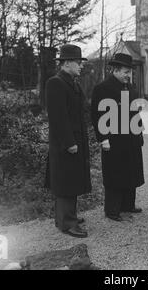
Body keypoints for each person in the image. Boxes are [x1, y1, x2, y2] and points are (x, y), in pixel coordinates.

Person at [91, 53, 145, 222]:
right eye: (124, 71)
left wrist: (139, 132)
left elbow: (135, 112)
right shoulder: (103, 88)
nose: (128, 75)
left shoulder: (131, 88)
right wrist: (103, 138)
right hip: (113, 139)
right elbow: (97, 115)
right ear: (114, 70)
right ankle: (112, 209)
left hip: (131, 137)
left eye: (129, 72)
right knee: (115, 173)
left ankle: (128, 205)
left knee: (131, 171)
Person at [45, 44, 91, 238]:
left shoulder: (72, 82)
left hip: (74, 140)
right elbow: (58, 117)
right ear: (67, 63)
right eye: (78, 63)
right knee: (65, 181)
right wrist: (69, 142)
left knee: (71, 180)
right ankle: (67, 223)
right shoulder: (55, 83)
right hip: (65, 144)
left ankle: (66, 216)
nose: (81, 66)